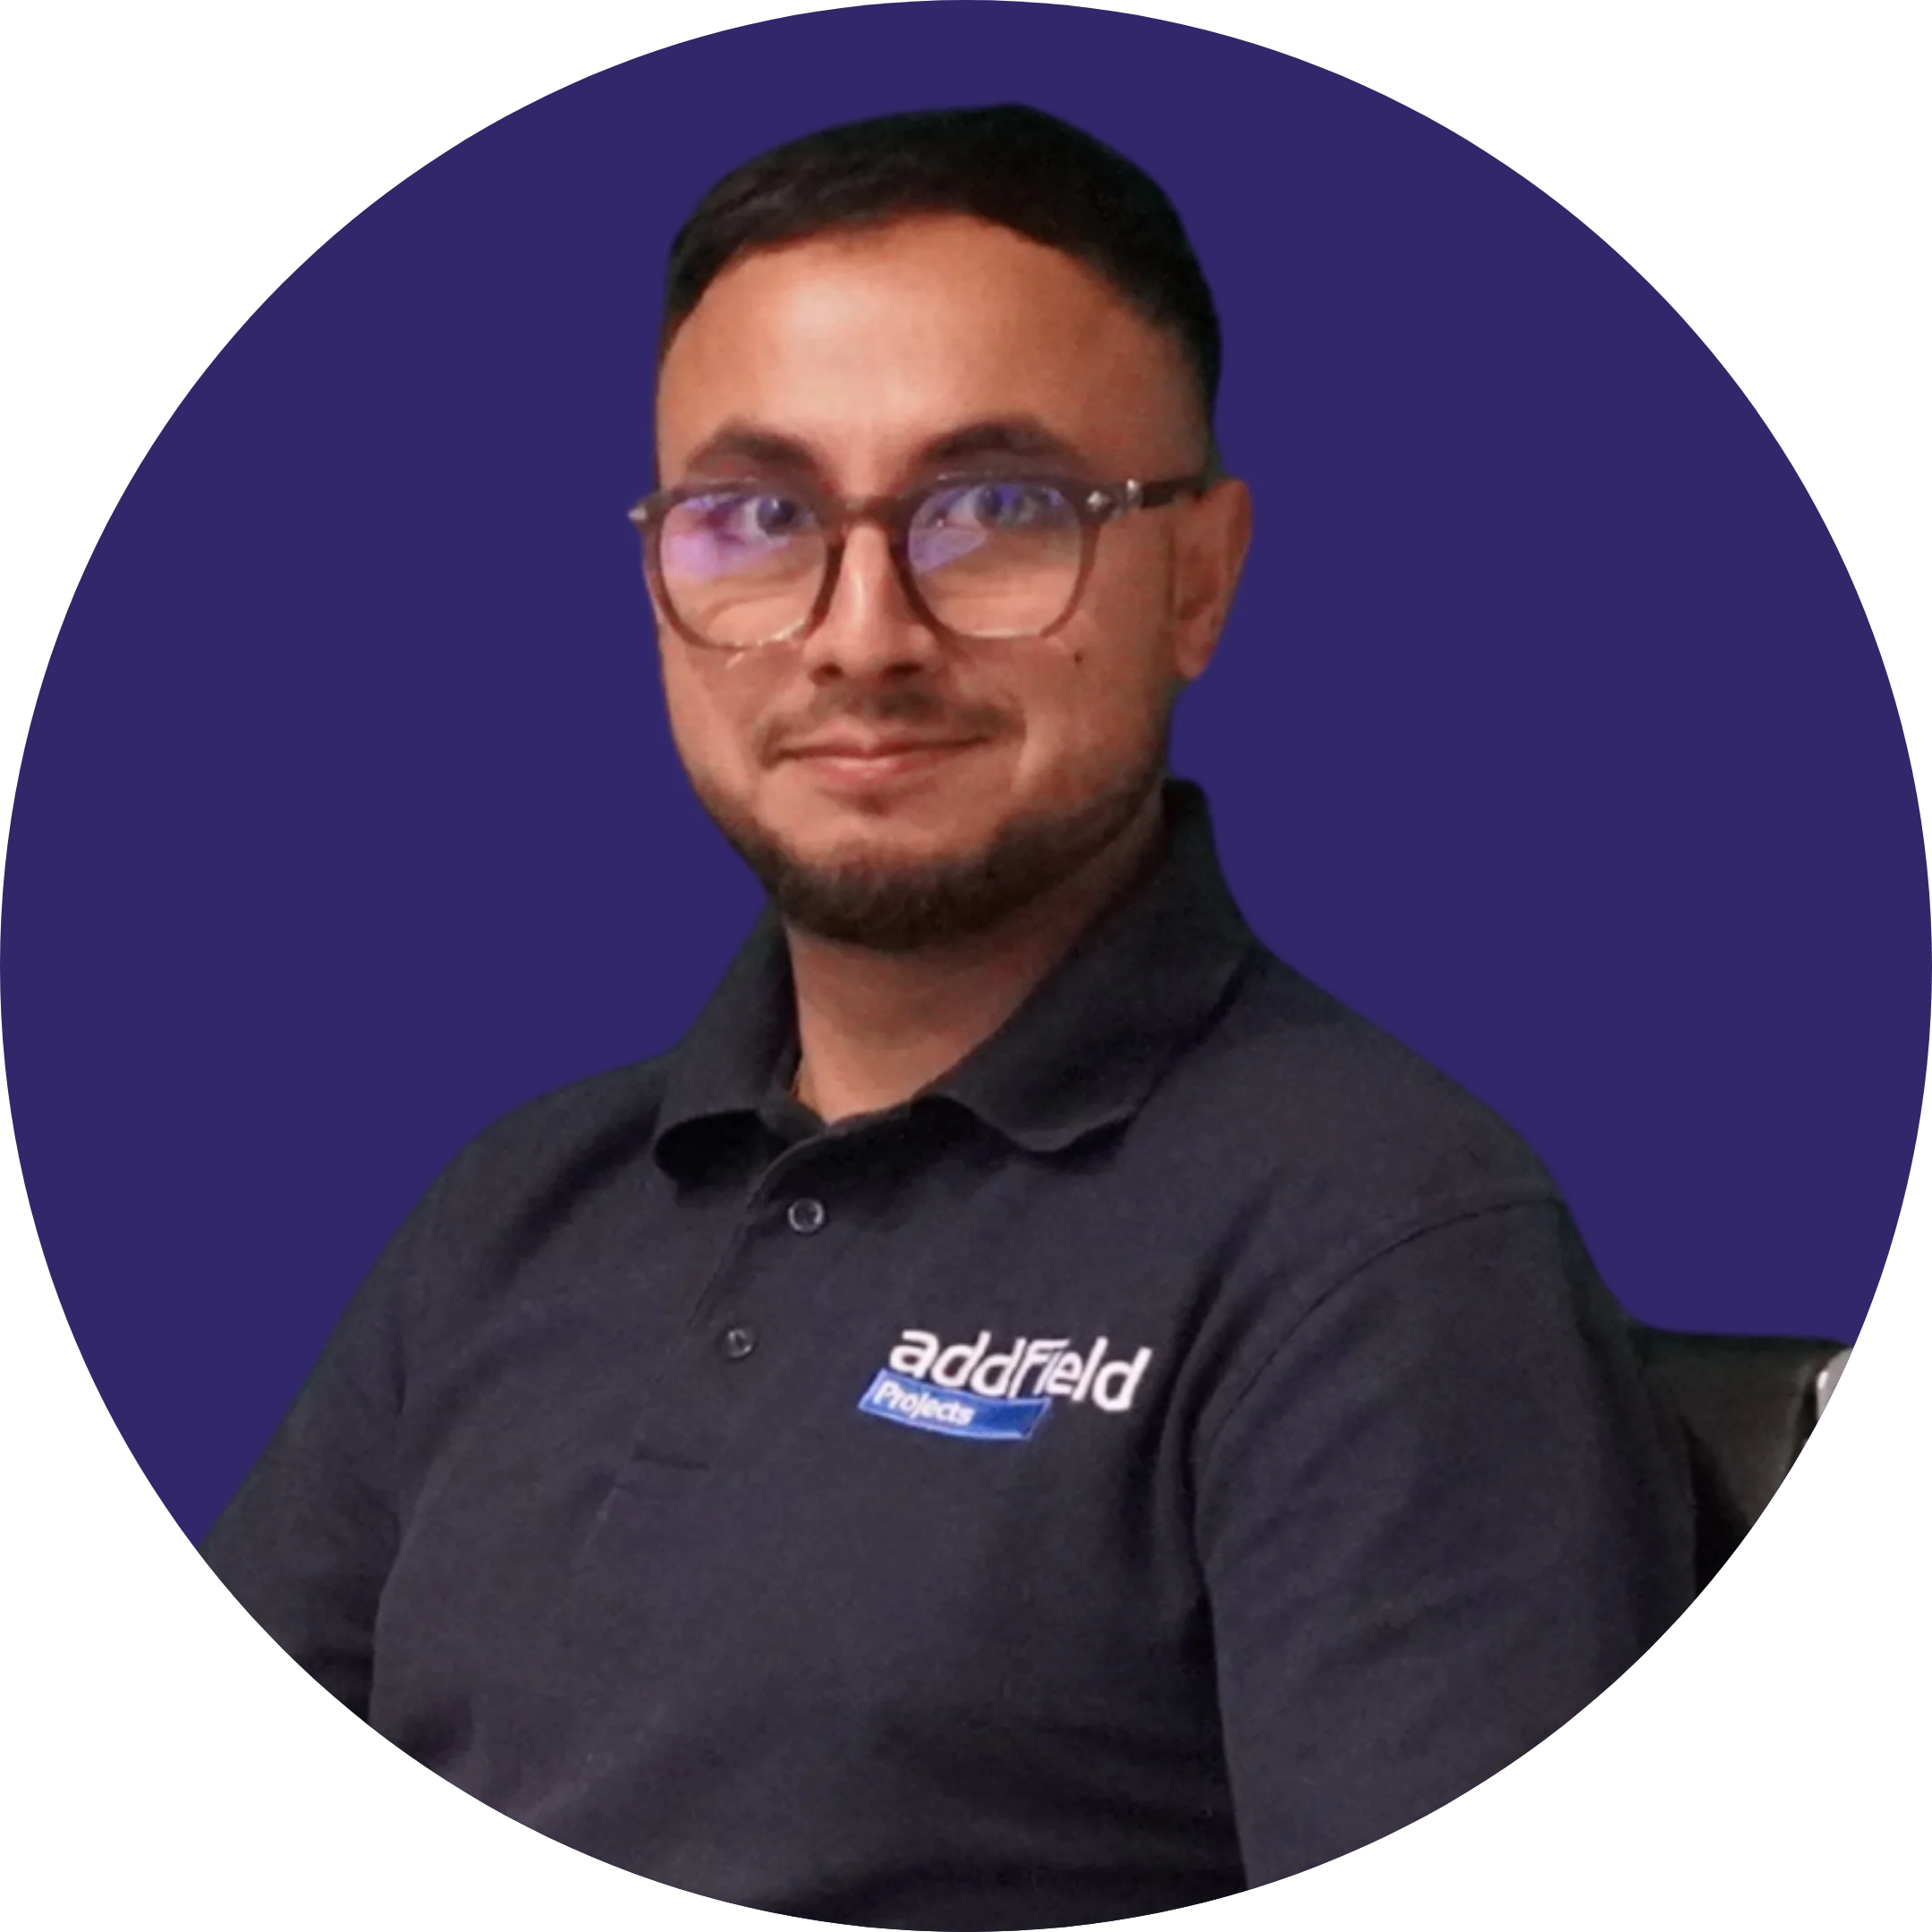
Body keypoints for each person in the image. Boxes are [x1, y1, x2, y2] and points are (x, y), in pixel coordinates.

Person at [199, 103, 1697, 1925]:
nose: (861, 634)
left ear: (1199, 578)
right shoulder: (510, 1213)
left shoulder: (1380, 1251)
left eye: (995, 511)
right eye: (758, 518)